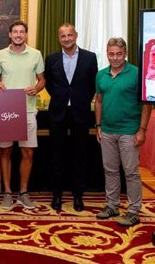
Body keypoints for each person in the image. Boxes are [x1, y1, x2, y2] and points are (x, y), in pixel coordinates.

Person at [94, 37, 151, 227]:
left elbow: (146, 103)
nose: (115, 58)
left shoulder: (136, 73)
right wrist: (98, 126)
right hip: (107, 130)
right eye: (111, 54)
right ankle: (112, 205)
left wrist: (142, 130)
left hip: (129, 131)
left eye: (119, 54)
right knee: (109, 170)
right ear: (107, 54)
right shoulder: (101, 75)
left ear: (125, 53)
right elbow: (99, 101)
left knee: (131, 173)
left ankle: (134, 211)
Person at [44, 23, 97, 212]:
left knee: (80, 155)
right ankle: (57, 194)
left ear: (76, 35)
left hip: (80, 112)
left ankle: (78, 196)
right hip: (58, 112)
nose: (66, 39)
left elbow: (92, 85)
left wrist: (78, 100)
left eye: (69, 35)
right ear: (59, 38)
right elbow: (50, 85)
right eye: (63, 36)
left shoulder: (90, 58)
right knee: (56, 155)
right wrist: (62, 99)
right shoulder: (51, 59)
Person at [0, 20, 45, 210]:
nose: (18, 35)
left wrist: (37, 88)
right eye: (15, 32)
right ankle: (7, 192)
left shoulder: (36, 54)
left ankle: (23, 192)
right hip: (5, 111)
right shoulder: (0, 55)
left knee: (27, 151)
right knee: (5, 151)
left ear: (26, 35)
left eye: (22, 32)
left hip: (28, 110)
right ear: (9, 34)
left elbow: (42, 79)